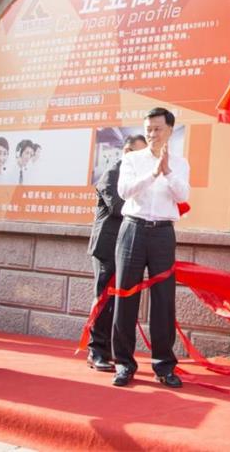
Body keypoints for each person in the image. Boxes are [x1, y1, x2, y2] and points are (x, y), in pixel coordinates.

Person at [111, 108, 190, 388]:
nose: (152, 134)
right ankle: (124, 363)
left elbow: (183, 194)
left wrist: (166, 171)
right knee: (125, 296)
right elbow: (124, 191)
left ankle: (164, 366)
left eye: (157, 129)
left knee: (164, 300)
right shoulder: (132, 159)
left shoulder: (180, 163)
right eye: (148, 129)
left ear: (170, 130)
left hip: (163, 233)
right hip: (133, 228)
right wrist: (152, 174)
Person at [85, 134, 147, 372]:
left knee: (119, 302)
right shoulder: (113, 173)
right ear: (125, 151)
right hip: (107, 247)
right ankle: (96, 352)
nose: (138, 157)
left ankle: (111, 350)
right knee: (104, 300)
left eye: (142, 153)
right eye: (134, 152)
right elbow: (120, 208)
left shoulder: (136, 177)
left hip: (126, 247)